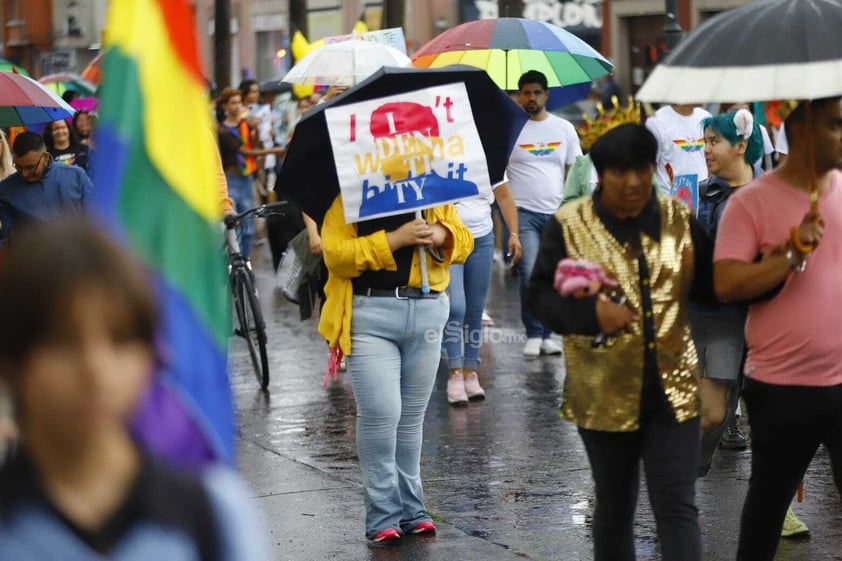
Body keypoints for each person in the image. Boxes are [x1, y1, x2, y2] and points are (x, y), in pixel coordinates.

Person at [0, 218, 269, 560]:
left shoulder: (214, 516)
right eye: (62, 341)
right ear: (12, 363)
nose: (95, 369)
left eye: (120, 338)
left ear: (152, 358)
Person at [528, 124, 714, 561]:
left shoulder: (677, 218)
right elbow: (539, 296)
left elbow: (713, 287)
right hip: (602, 393)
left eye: (642, 170)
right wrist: (590, 315)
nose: (632, 182)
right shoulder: (569, 225)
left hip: (675, 393)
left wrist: (781, 259)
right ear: (601, 173)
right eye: (620, 172)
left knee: (677, 505)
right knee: (614, 504)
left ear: (655, 168)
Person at [713, 96, 842, 561]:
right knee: (768, 508)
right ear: (804, 131)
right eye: (836, 125)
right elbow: (726, 283)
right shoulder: (752, 202)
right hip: (782, 387)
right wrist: (789, 255)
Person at [318, 194, 472, 543]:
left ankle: (412, 509)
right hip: (369, 314)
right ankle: (383, 515)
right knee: (381, 414)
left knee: (411, 418)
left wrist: (442, 234)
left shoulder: (430, 189)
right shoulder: (350, 192)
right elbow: (337, 256)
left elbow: (465, 242)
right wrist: (395, 239)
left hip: (429, 310)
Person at [692, 109, 763, 477]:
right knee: (713, 413)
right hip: (718, 319)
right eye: (704, 142)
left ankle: (779, 508)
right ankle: (683, 473)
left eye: (713, 141)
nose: (705, 149)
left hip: (768, 320)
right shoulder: (706, 191)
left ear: (741, 145)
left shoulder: (773, 193)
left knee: (775, 418)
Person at [507, 69, 582, 357]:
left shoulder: (563, 128)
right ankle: (534, 331)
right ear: (519, 95)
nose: (531, 97)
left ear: (546, 95)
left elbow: (573, 171)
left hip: (556, 212)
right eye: (526, 92)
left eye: (537, 92)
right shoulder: (511, 128)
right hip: (522, 212)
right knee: (529, 273)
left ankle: (548, 332)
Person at [444, 179, 522, 404]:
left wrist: (514, 234)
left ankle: (471, 370)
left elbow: (504, 195)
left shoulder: (489, 156)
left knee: (475, 310)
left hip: (482, 239)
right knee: (456, 306)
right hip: (450, 238)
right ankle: (454, 372)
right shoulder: (444, 149)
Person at [217, 87, 284, 257]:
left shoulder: (244, 124)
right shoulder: (223, 130)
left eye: (239, 102)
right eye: (233, 103)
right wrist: (273, 151)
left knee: (248, 227)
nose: (237, 106)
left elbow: (254, 145)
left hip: (247, 178)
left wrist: (256, 130)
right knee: (234, 224)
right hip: (232, 178)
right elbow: (244, 151)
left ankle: (244, 261)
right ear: (225, 106)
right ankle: (234, 261)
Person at [0, 132, 92, 239]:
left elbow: (97, 214)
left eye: (30, 167)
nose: (24, 174)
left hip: (77, 251)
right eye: (18, 167)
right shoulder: (7, 189)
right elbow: (6, 230)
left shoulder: (76, 176)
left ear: (45, 157)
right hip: (34, 254)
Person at [645, 104, 711, 196]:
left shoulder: (706, 117)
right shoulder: (656, 121)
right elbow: (649, 167)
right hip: (671, 203)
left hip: (704, 200)